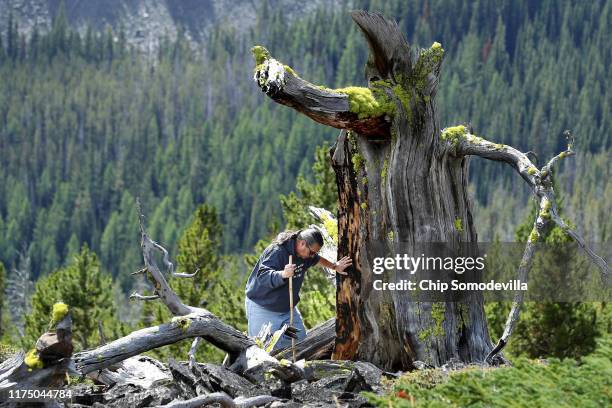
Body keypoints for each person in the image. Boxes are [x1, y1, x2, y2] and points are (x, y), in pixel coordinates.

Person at [245, 228, 352, 350]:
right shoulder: (278, 251)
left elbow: (317, 259)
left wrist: (334, 266)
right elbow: (262, 276)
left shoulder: (306, 255)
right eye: (312, 252)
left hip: (286, 310)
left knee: (298, 336)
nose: (313, 256)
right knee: (261, 347)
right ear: (302, 243)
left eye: (314, 253)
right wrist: (283, 274)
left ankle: (276, 347)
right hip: (263, 308)